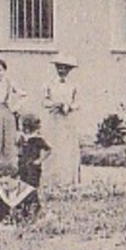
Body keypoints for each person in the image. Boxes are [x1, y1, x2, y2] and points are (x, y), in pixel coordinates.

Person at [41, 53, 82, 188]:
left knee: (67, 148)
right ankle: (52, 180)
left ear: (69, 70)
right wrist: (54, 104)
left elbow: (78, 102)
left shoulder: (74, 84)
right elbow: (44, 100)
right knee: (53, 147)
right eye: (59, 68)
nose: (61, 71)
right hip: (54, 119)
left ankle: (68, 180)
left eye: (65, 68)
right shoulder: (50, 83)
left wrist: (69, 106)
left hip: (68, 120)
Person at [17, 114, 51, 190]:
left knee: (32, 182)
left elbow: (48, 150)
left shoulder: (38, 139)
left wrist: (39, 160)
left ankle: (32, 196)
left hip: (33, 164)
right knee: (22, 180)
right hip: (22, 162)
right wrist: (19, 154)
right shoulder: (22, 138)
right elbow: (18, 146)